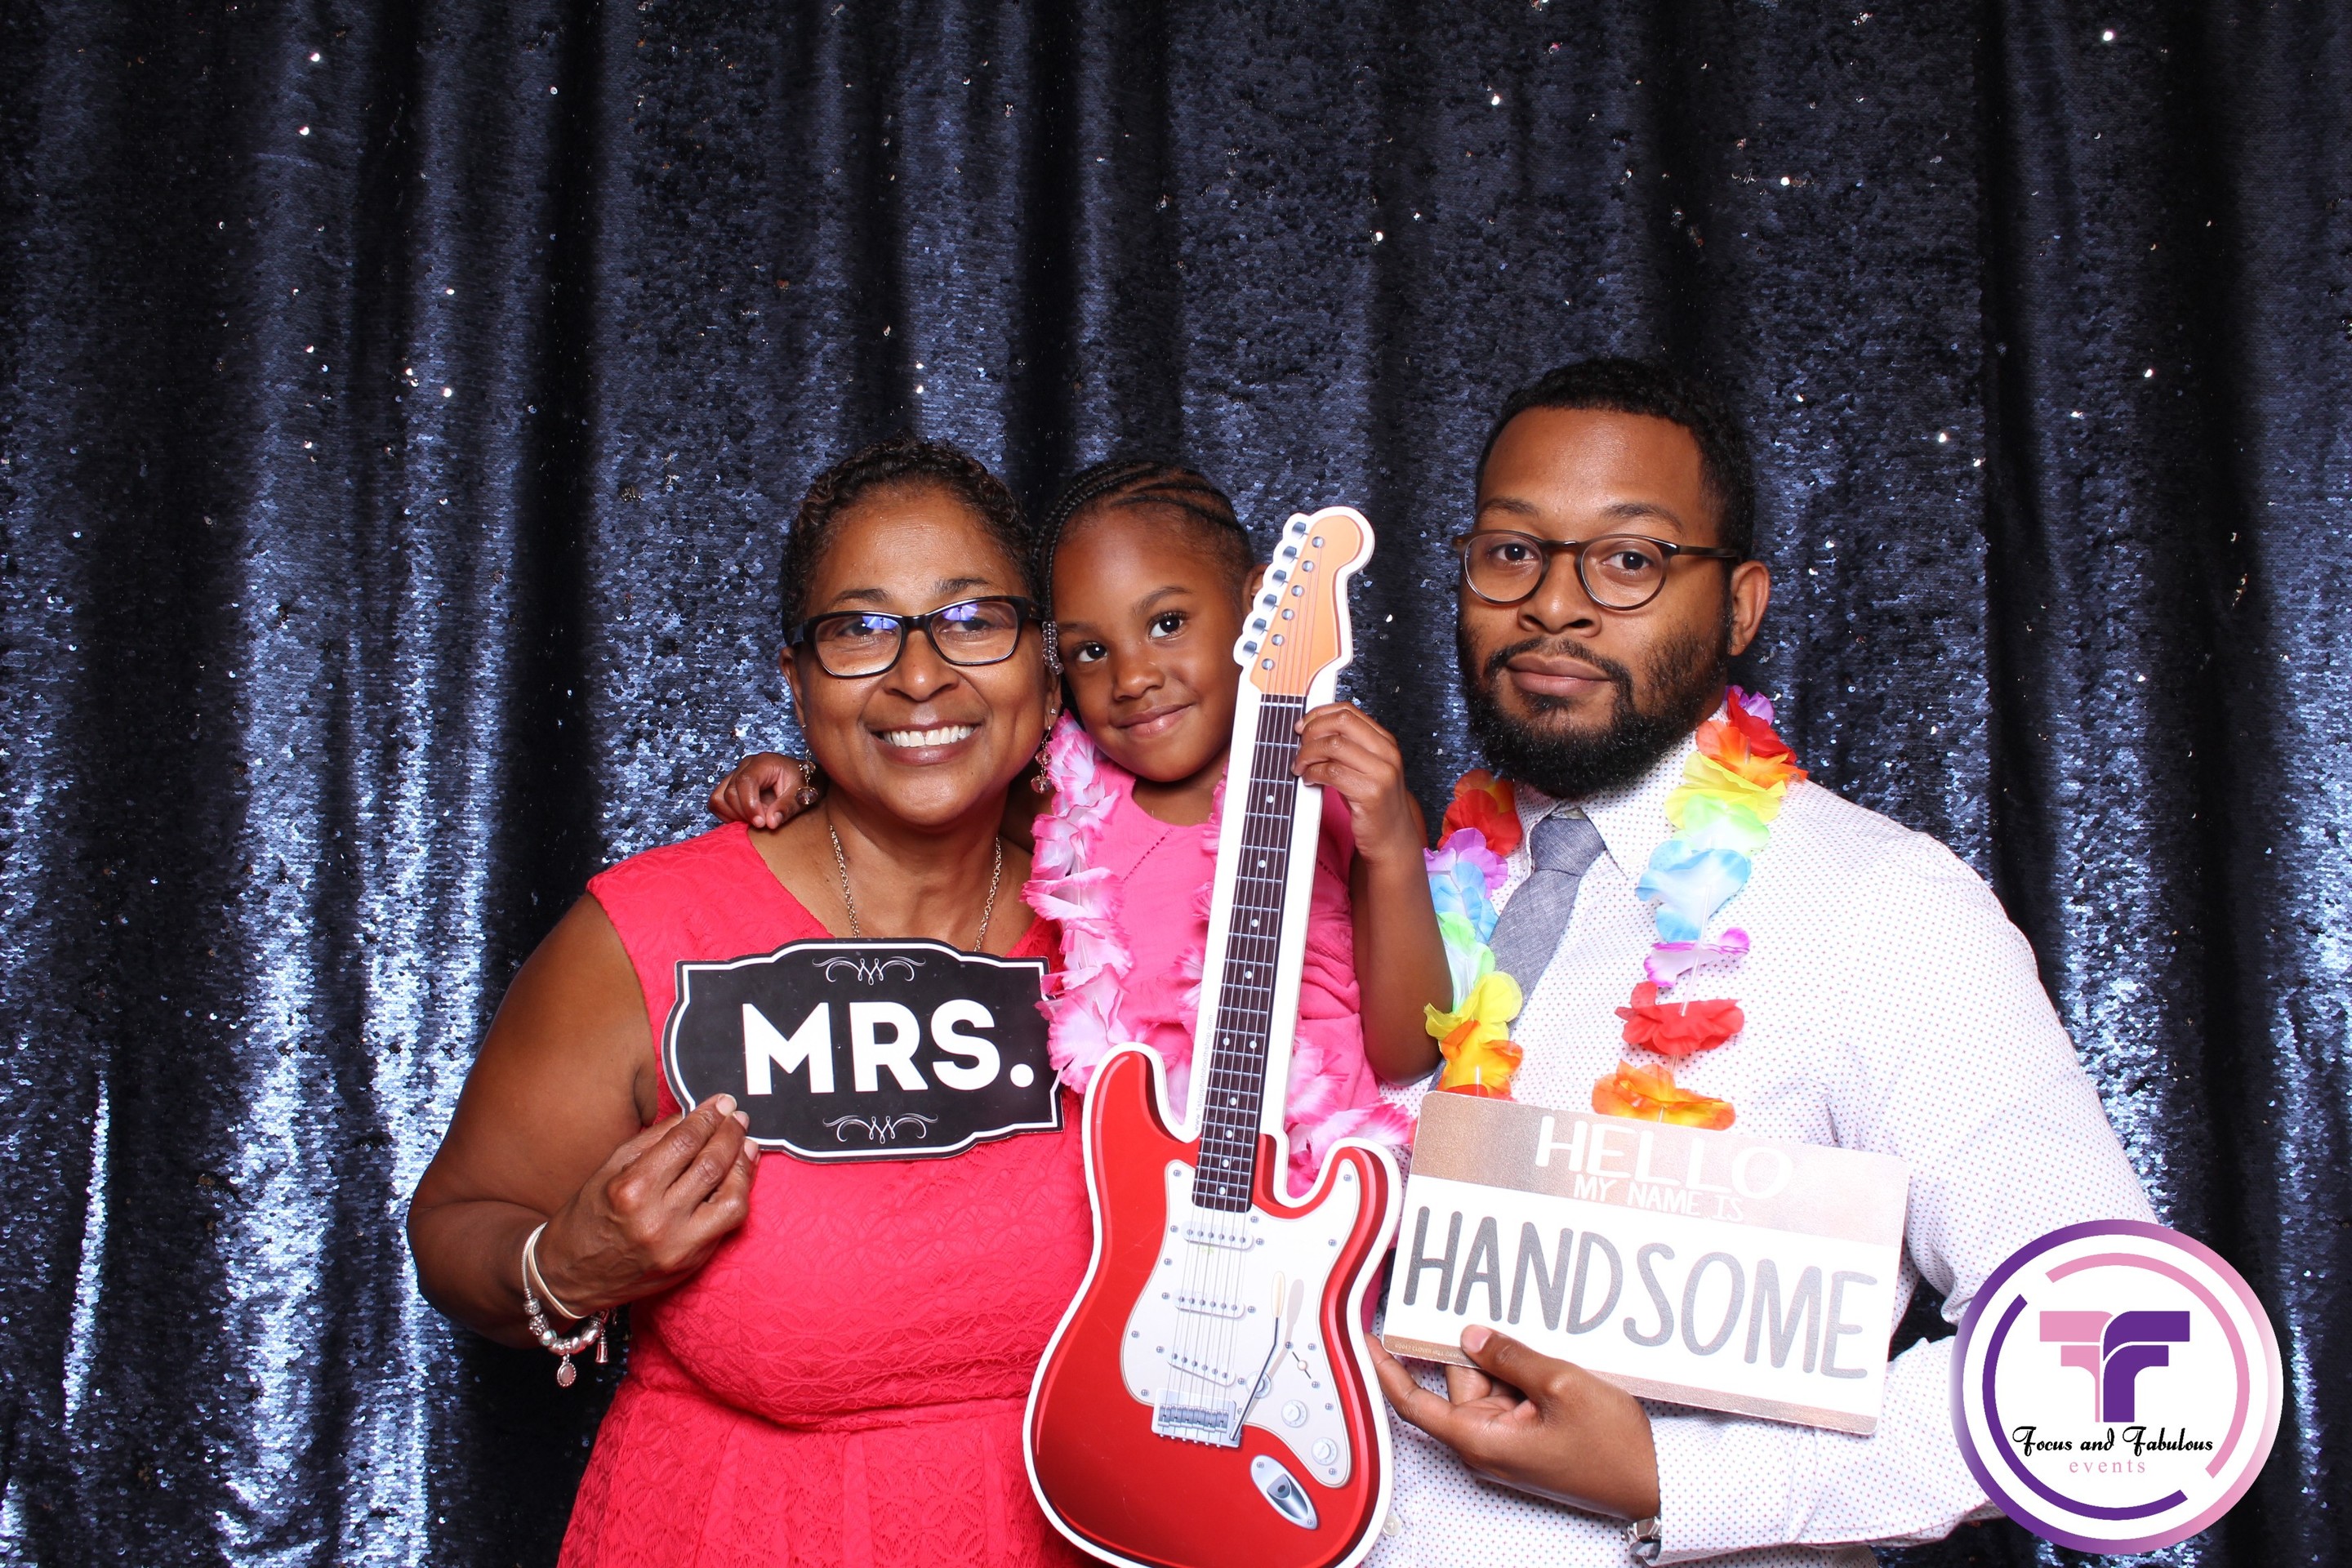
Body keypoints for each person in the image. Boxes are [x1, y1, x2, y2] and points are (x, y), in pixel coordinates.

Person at [1364, 359, 2154, 1566]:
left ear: (1739, 607)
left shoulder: (1881, 909)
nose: (1554, 605)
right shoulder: (1401, 893)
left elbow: (2111, 1352)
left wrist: (1673, 1479)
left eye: (1629, 560)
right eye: (1511, 552)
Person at [408, 436, 1091, 1566]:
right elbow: (455, 1223)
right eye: (860, 628)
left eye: (973, 618)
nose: (921, 675)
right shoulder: (649, 931)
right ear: (797, 678)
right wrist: (563, 1266)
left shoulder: (1138, 925)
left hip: (1096, 1531)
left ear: (1048, 669)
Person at [711, 459, 1443, 1189]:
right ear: (1055, 673)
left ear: (1259, 607)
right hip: (1128, 1220)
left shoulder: (1343, 806)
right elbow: (919, 791)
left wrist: (1392, 848)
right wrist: (806, 777)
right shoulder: (1058, 806)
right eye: (1091, 651)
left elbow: (1409, 1054)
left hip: (1317, 1209)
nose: (1133, 679)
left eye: (1167, 624)